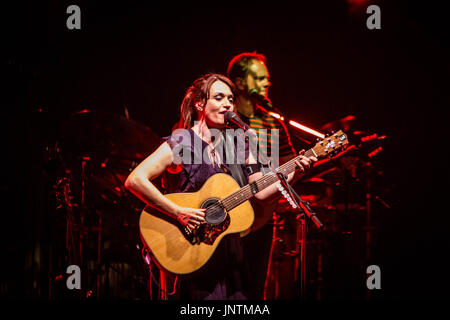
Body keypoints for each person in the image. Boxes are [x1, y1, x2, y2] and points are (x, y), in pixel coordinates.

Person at [124, 73, 316, 300]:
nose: (227, 103)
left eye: (231, 99)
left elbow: (261, 192)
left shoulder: (240, 142)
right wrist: (178, 212)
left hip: (229, 252)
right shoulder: (182, 142)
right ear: (200, 103)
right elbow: (135, 180)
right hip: (190, 248)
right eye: (219, 97)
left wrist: (294, 172)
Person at [226, 52, 301, 299]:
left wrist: (299, 167)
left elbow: (285, 166)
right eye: (258, 78)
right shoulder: (223, 120)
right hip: (224, 217)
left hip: (260, 219)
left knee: (253, 292)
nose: (266, 83)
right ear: (238, 83)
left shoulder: (273, 123)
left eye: (266, 78)